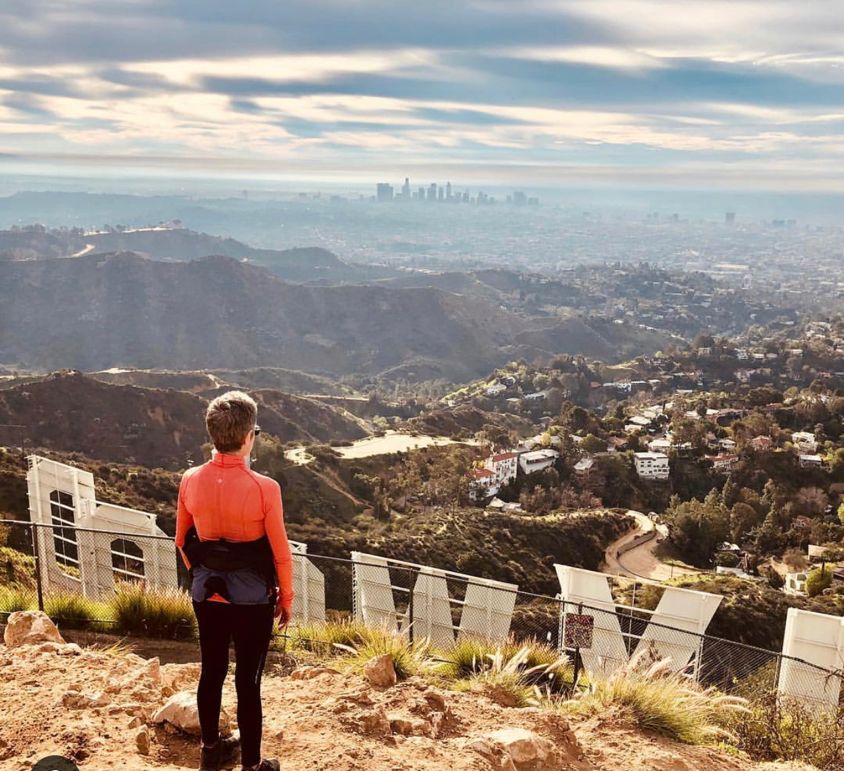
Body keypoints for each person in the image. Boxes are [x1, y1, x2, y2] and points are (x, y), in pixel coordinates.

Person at [176, 390, 294, 771]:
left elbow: (182, 541)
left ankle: (210, 753)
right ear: (248, 437)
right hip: (253, 601)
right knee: (248, 681)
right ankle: (253, 765)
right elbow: (280, 553)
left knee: (211, 671)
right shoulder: (265, 488)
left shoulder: (190, 480)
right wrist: (286, 598)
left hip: (206, 594)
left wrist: (201, 577)